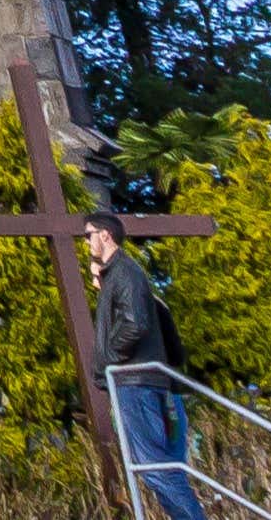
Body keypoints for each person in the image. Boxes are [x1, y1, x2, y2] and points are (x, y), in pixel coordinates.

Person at [84, 214, 203, 520]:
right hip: (146, 382)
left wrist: (107, 360)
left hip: (135, 382)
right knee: (160, 469)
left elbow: (134, 325)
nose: (86, 242)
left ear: (105, 235)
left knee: (156, 468)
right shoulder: (124, 277)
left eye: (88, 235)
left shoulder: (125, 273)